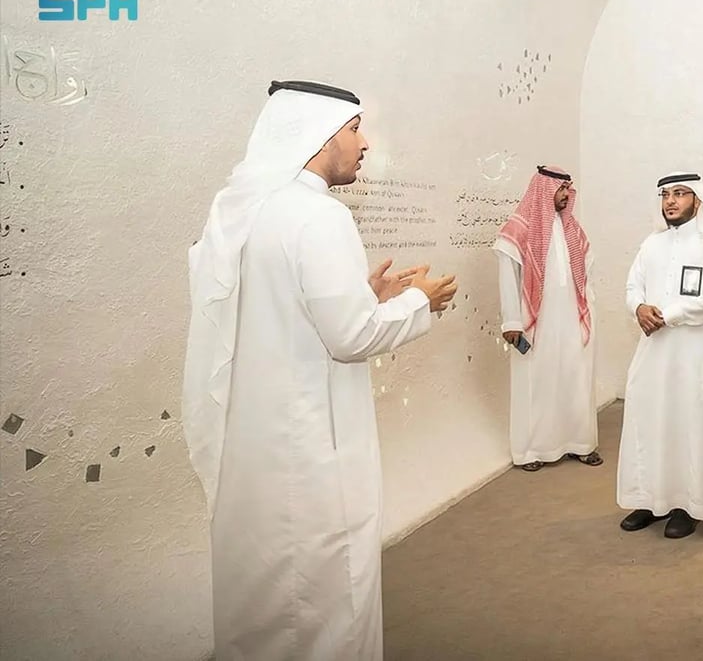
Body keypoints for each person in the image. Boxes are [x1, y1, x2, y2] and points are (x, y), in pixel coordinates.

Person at [182, 80, 458, 659]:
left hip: (255, 447)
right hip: (310, 450)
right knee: (325, 597)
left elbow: (282, 314)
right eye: (355, 129)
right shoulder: (319, 216)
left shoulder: (244, 213)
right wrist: (419, 301)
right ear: (319, 134)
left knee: (264, 597)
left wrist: (368, 296)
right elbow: (351, 338)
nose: (365, 143)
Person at [617, 173, 703, 539]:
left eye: (680, 194)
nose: (670, 201)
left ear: (697, 200)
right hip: (653, 348)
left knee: (689, 422)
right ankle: (649, 498)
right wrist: (639, 308)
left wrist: (666, 316)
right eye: (665, 194)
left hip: (695, 351)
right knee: (649, 418)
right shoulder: (651, 244)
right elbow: (632, 286)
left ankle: (688, 505)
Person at [494, 165, 602, 472]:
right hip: (535, 323)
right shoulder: (518, 229)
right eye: (561, 189)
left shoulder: (572, 228)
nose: (566, 194)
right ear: (544, 190)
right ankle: (532, 450)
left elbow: (586, 273)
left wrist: (588, 310)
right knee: (537, 384)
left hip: (572, 320)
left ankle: (580, 443)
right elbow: (507, 276)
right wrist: (512, 321)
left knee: (575, 378)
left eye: (568, 188)